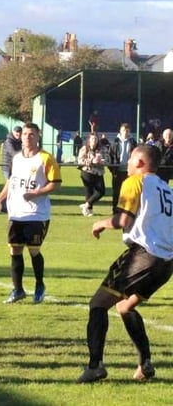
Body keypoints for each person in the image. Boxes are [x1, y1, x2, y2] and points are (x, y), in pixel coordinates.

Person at [77, 145, 173, 383]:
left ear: (140, 162)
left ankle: (95, 366)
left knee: (98, 304)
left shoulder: (135, 182)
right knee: (124, 307)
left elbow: (122, 220)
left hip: (143, 255)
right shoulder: (167, 190)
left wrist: (99, 223)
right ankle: (145, 363)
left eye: (130, 159)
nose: (127, 164)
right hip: (166, 262)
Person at [0, 122, 62, 304]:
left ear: (38, 137)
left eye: (31, 135)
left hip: (37, 213)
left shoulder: (46, 158)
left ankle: (39, 285)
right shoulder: (17, 158)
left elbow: (56, 182)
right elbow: (11, 182)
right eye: (25, 134)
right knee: (15, 249)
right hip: (16, 213)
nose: (27, 137)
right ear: (20, 137)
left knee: (34, 250)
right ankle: (18, 290)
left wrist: (36, 193)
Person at [77, 133, 108, 217]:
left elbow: (107, 160)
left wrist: (100, 161)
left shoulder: (102, 149)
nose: (93, 141)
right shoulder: (84, 149)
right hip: (87, 172)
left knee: (101, 191)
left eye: (95, 139)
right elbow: (79, 161)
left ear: (98, 140)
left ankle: (86, 205)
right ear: (89, 140)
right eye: (92, 139)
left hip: (98, 172)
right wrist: (91, 160)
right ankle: (88, 210)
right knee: (89, 191)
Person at [109, 123, 137, 212]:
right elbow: (110, 157)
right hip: (117, 172)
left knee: (129, 192)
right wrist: (113, 169)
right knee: (116, 192)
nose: (125, 132)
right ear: (120, 131)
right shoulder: (115, 142)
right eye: (124, 130)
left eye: (127, 130)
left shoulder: (133, 142)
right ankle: (115, 210)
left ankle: (127, 210)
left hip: (129, 172)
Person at [0, 126, 22, 212]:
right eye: (16, 132)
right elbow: (14, 153)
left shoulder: (20, 141)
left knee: (14, 186)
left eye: (19, 132)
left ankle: (10, 206)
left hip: (15, 167)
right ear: (13, 132)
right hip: (7, 167)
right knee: (9, 186)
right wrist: (24, 150)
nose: (18, 134)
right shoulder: (8, 141)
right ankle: (3, 206)